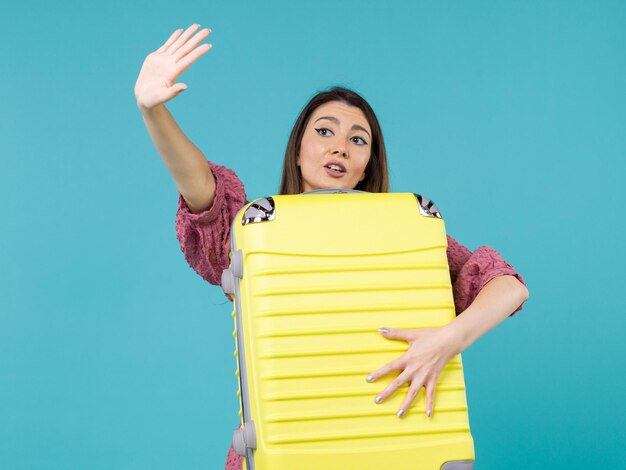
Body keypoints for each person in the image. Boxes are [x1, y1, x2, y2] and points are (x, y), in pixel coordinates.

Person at [135, 24, 530, 470]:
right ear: (299, 150)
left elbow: (508, 286)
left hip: (391, 451)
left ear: (365, 167)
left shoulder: (406, 235)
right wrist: (153, 112)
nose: (340, 147)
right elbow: (200, 189)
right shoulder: (260, 232)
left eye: (358, 140)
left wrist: (447, 340)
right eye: (325, 132)